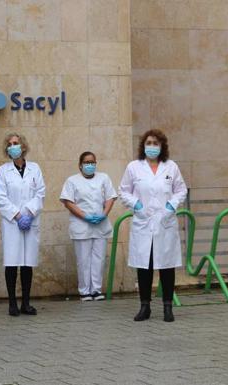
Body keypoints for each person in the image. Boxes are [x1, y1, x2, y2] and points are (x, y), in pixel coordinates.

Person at [119, 129, 187, 322]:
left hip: (165, 221)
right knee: (145, 266)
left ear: (162, 146)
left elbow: (181, 190)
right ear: (143, 145)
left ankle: (167, 306)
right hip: (143, 221)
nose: (151, 147)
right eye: (148, 143)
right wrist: (136, 205)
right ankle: (145, 306)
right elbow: (123, 191)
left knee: (167, 266)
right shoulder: (134, 167)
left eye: (155, 143)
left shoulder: (171, 167)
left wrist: (171, 205)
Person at [0, 133, 46, 316]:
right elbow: (1, 199)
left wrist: (30, 214)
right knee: (12, 262)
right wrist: (17, 216)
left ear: (23, 146)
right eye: (9, 144)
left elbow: (40, 194)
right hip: (12, 223)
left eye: (15, 143)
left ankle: (26, 303)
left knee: (27, 263)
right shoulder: (3, 171)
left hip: (30, 221)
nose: (12, 146)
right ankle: (12, 304)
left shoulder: (35, 168)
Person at [60, 152, 117, 301]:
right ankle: (84, 291)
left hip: (100, 224)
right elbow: (68, 202)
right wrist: (84, 216)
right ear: (80, 165)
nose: (89, 165)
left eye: (92, 162)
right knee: (83, 260)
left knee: (99, 258)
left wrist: (104, 214)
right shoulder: (72, 181)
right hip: (81, 225)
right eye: (86, 162)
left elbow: (110, 197)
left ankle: (96, 290)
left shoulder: (103, 178)